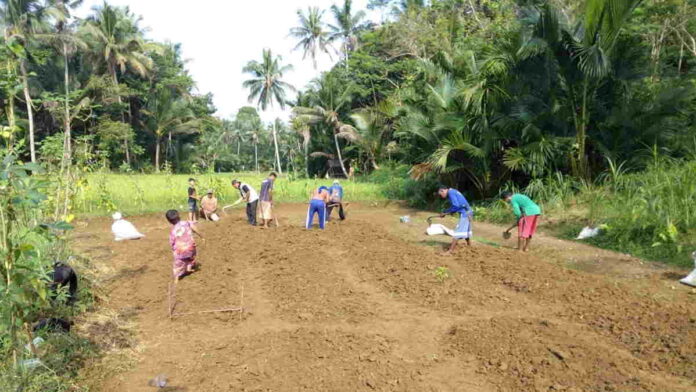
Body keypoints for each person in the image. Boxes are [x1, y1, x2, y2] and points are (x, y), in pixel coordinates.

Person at [166, 210, 203, 282]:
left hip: (180, 250)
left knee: (178, 263)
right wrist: (201, 236)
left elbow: (172, 242)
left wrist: (174, 249)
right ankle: (189, 267)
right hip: (190, 247)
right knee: (191, 257)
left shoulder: (173, 231)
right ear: (179, 216)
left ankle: (176, 278)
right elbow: (194, 228)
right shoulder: (186, 223)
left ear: (169, 221)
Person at [438, 185, 473, 254]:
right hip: (468, 212)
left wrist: (445, 212)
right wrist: (450, 212)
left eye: (441, 194)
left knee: (457, 232)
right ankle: (470, 246)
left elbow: (456, 206)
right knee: (465, 231)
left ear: (443, 190)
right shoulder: (453, 191)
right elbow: (459, 205)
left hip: (465, 213)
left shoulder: (450, 193)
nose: (441, 196)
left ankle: (450, 251)